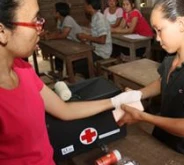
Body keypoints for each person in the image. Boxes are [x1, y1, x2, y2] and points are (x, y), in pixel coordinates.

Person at [0, 0, 142, 164]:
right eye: (34, 22)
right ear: (2, 31)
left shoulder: (23, 69)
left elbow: (64, 109)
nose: (41, 28)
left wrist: (116, 101)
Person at [118, 0, 184, 164]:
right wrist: (138, 93)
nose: (157, 38)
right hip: (163, 140)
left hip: (183, 153)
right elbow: (164, 81)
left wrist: (144, 117)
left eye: (159, 30)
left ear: (180, 24)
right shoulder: (172, 59)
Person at [43, 2, 82, 74]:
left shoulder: (68, 19)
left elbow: (63, 35)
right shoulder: (59, 20)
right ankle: (58, 72)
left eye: (54, 10)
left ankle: (69, 74)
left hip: (78, 44)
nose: (52, 12)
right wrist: (49, 35)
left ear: (58, 12)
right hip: (70, 42)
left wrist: (49, 37)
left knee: (62, 52)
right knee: (57, 51)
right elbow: (58, 32)